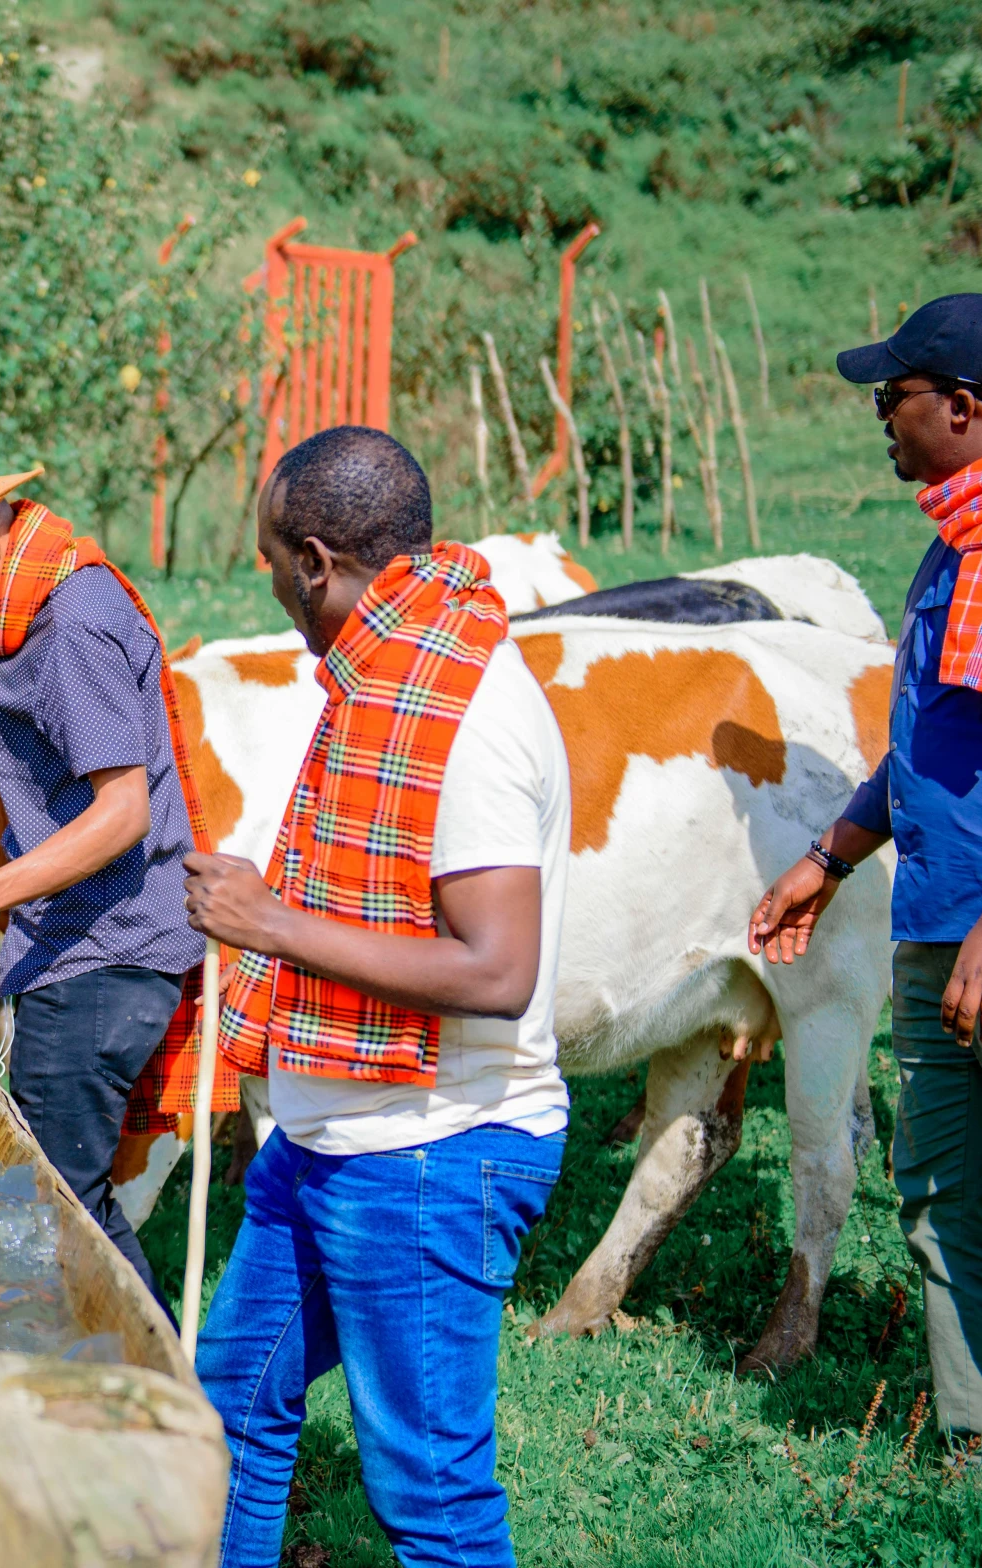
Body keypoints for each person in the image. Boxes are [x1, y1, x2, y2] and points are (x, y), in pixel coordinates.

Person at [180, 427, 570, 1567]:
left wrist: (270, 923)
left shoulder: (467, 715)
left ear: (312, 560)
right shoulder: (391, 665)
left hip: (431, 1150)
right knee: (234, 1396)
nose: (268, 582)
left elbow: (498, 971)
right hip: (333, 1134)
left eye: (266, 559)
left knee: (431, 1496)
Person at [752, 293, 982, 1508]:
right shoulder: (959, 538)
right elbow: (934, 741)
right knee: (948, 1197)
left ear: (961, 409)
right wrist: (833, 849)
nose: (882, 418)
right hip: (937, 922)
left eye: (892, 398)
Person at [0, 442, 211, 1301]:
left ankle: (155, 1400)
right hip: (100, 943)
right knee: (64, 1195)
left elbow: (122, 811)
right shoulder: (62, 596)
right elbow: (94, 747)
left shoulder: (66, 628)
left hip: (102, 953)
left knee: (64, 1204)